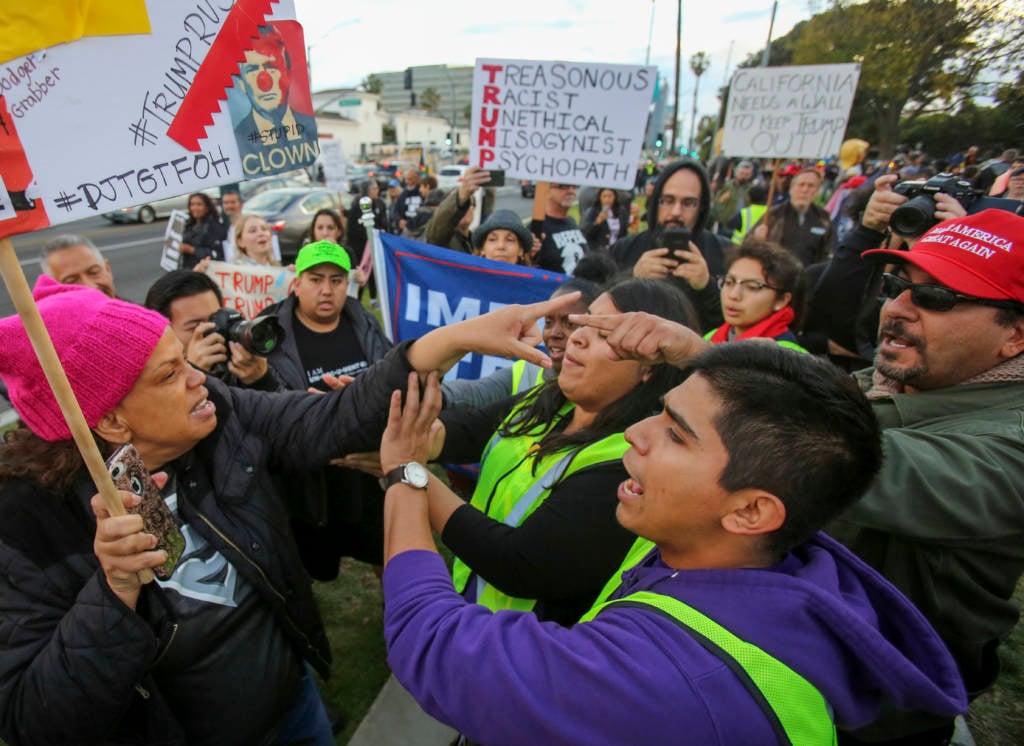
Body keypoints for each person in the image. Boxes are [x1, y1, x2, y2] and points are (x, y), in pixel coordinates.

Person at [0, 273, 587, 745]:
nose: (199, 377)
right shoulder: (27, 524)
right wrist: (114, 590)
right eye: (170, 373)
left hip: (293, 703)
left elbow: (327, 420)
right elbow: (38, 719)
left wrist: (450, 341)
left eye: (186, 359)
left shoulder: (217, 413)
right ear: (108, 419)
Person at [377, 332, 967, 744]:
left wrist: (405, 475)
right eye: (659, 413)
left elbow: (431, 640)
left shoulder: (672, 680)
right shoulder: (756, 559)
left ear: (752, 510)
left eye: (677, 435)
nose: (634, 433)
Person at [378, 279, 697, 627]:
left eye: (605, 333)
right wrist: (385, 419)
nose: (576, 336)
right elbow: (462, 432)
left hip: (524, 650)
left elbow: (519, 564)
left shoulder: (631, 462)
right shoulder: (546, 401)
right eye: (584, 321)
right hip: (470, 611)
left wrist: (408, 472)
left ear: (651, 364)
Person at [825, 209, 1024, 744]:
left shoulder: (1013, 440)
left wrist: (713, 375)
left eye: (936, 297)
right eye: (898, 285)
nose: (897, 308)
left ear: (1015, 336)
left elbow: (861, 466)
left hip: (877, 717)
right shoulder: (890, 381)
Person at [257, 240, 392, 579]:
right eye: (316, 279)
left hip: (368, 470)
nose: (326, 290)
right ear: (296, 283)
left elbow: (391, 376)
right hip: (308, 481)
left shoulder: (364, 321)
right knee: (311, 567)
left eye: (336, 280)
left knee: (387, 551)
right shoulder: (268, 332)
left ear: (348, 285)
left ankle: (398, 618)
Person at [441, 278, 601, 409]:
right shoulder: (525, 372)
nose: (554, 333)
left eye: (570, 324)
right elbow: (470, 394)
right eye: (548, 322)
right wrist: (432, 394)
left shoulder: (603, 397)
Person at [609, 157, 728, 331]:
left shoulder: (724, 252)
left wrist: (707, 287)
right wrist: (632, 277)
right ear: (656, 201)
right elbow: (598, 308)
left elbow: (734, 325)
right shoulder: (624, 249)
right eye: (668, 200)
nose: (676, 212)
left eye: (688, 203)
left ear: (701, 206)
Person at [144, 270, 283, 392]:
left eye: (215, 319)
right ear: (162, 334)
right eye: (195, 327)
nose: (211, 331)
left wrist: (262, 380)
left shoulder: (242, 361)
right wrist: (192, 375)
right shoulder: (147, 385)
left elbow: (287, 416)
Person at [233, 24, 318, 179]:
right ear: (242, 84)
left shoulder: (308, 129)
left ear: (289, 73)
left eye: (272, 67)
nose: (264, 82)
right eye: (252, 70)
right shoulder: (235, 140)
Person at [706, 240, 807, 352]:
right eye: (729, 282)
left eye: (752, 286)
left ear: (782, 300)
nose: (734, 295)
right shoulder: (711, 337)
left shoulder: (787, 356)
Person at [752, 167, 834, 267]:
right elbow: (749, 247)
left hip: (808, 277)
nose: (805, 190)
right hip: (776, 274)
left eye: (811, 186)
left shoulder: (823, 219)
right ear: (791, 189)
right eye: (801, 185)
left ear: (816, 191)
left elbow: (829, 251)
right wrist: (756, 239)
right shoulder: (774, 215)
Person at [424, 166, 491, 254]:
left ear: (474, 209)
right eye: (462, 205)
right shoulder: (442, 240)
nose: (463, 211)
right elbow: (435, 232)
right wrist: (463, 194)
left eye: (468, 204)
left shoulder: (477, 243)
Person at [534, 183, 589, 274]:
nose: (571, 191)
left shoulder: (572, 221)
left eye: (574, 187)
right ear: (546, 192)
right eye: (563, 186)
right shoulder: (538, 228)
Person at [39, 234, 116, 298]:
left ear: (107, 269)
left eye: (94, 272)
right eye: (71, 281)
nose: (90, 286)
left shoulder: (128, 310)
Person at [178, 192, 227, 270]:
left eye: (199, 204)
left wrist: (192, 250)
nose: (195, 208)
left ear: (207, 207)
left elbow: (217, 254)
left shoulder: (215, 227)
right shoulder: (189, 225)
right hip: (188, 269)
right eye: (192, 204)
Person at [709, 159, 755, 236]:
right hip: (726, 226)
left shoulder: (752, 189)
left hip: (742, 227)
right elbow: (716, 203)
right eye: (742, 173)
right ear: (736, 173)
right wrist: (721, 200)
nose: (743, 176)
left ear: (750, 175)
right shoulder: (726, 186)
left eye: (747, 174)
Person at [393, 169, 423, 233]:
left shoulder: (423, 193)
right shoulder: (403, 194)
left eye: (410, 179)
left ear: (417, 179)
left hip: (419, 229)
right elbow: (396, 210)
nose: (407, 182)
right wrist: (399, 220)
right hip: (405, 230)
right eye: (406, 179)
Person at [219, 189, 244, 262]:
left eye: (233, 202)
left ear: (241, 204)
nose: (229, 206)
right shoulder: (230, 227)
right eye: (226, 203)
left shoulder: (247, 226)